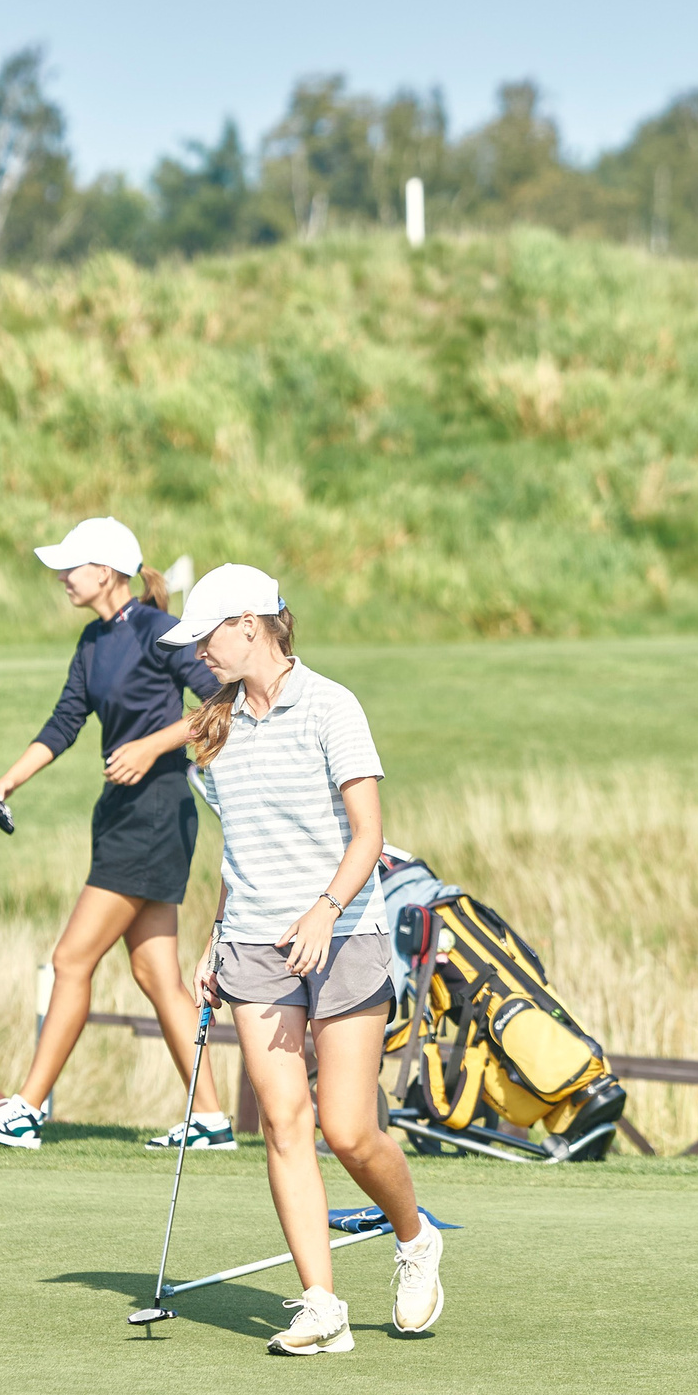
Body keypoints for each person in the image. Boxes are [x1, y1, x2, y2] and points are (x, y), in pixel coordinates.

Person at [165, 564, 444, 1355]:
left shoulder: (332, 706)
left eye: (210, 636)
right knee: (285, 1124)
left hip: (346, 933)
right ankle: (321, 1304)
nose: (201, 654)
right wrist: (214, 940)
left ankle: (415, 1238)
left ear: (252, 624)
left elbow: (367, 834)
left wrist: (323, 910)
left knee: (349, 1129)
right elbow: (238, 856)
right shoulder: (214, 728)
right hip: (253, 944)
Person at [0, 518, 231, 1153]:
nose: (62, 576)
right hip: (119, 818)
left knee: (70, 960)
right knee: (154, 973)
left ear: (108, 571)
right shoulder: (92, 641)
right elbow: (63, 725)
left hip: (157, 816)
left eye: (72, 566)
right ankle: (213, 1120)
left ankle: (27, 1110)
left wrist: (149, 746)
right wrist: (4, 784)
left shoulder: (159, 630)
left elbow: (220, 704)